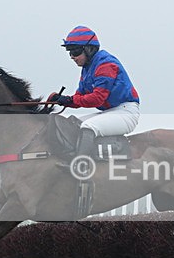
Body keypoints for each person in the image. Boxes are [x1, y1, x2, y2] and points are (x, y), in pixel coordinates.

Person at [47, 25, 140, 172]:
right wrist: (62, 99)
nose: (72, 56)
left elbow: (97, 99)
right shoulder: (87, 67)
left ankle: (80, 165)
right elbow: (80, 97)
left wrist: (69, 100)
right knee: (73, 123)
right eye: (69, 52)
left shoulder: (105, 64)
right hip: (110, 112)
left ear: (89, 49)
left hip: (126, 112)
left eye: (75, 51)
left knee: (88, 127)